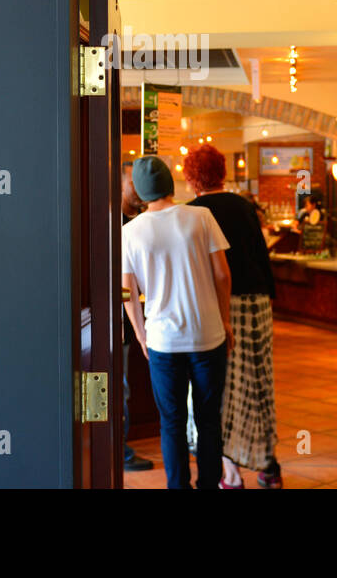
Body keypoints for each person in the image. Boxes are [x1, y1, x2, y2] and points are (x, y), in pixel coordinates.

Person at [121, 155, 233, 489]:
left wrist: (141, 337)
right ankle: (209, 485)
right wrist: (225, 321)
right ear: (171, 183)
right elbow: (223, 275)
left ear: (140, 192)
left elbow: (127, 293)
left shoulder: (130, 231)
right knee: (209, 419)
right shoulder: (201, 216)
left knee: (171, 422)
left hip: (162, 342)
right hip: (208, 335)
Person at [184, 145, 283, 489]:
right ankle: (269, 467)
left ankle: (231, 473)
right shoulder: (244, 206)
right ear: (223, 172)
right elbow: (262, 257)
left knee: (221, 388)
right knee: (258, 383)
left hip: (219, 305)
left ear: (192, 178)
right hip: (256, 303)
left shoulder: (192, 213)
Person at [119, 170, 154, 472]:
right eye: (131, 183)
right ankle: (120, 452)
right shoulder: (115, 223)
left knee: (123, 388)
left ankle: (119, 450)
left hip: (128, 321)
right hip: (116, 322)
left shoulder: (135, 223)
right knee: (120, 388)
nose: (137, 189)